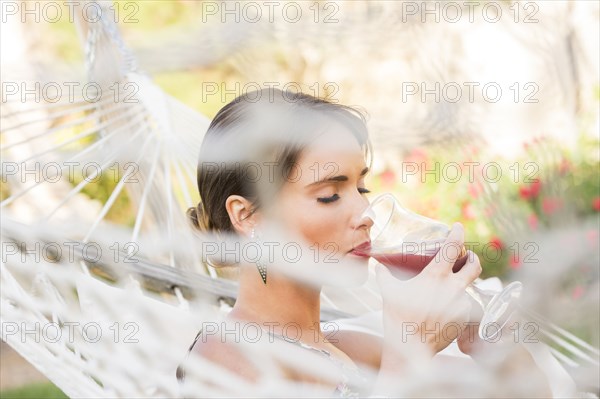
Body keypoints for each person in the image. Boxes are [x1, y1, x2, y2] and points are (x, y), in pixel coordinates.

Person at [177, 88, 553, 397]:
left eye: (361, 187)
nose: (366, 212)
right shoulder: (223, 360)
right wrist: (408, 361)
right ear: (247, 216)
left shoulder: (350, 348)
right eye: (328, 194)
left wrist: (492, 342)